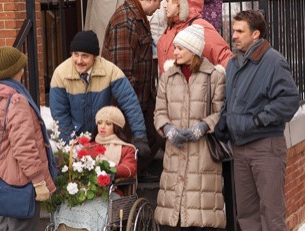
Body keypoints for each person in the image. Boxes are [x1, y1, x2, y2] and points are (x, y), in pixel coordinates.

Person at [214, 10, 299, 231]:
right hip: (239, 149)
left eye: (239, 31)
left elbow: (289, 100)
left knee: (271, 215)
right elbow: (231, 99)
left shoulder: (273, 61)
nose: (233, 35)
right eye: (233, 30)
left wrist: (259, 121)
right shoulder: (233, 64)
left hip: (266, 148)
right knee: (246, 215)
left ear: (256, 34)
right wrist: (225, 119)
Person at [0, 46, 57, 231]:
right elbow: (24, 147)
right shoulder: (15, 101)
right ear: (14, 71)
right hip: (22, 185)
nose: (23, 69)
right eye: (21, 66)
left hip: (2, 183)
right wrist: (38, 181)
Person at [154, 24, 226, 230]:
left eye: (179, 48)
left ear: (193, 50)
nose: (174, 52)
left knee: (199, 216)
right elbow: (159, 111)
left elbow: (221, 112)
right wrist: (167, 128)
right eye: (175, 48)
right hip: (174, 154)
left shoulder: (214, 76)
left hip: (202, 155)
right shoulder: (167, 78)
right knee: (173, 218)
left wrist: (203, 127)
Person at [49, 30, 150, 165]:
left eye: (85, 56)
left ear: (95, 57)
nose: (79, 61)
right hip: (75, 138)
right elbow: (60, 115)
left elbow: (130, 103)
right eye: (75, 55)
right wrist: (71, 145)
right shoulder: (60, 74)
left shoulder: (110, 71)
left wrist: (140, 136)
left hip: (103, 137)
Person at [102, 0, 164, 182]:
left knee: (156, 136)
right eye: (159, 2)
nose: (160, 7)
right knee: (127, 153)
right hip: (129, 107)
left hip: (144, 100)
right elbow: (122, 75)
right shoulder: (125, 21)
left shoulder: (136, 18)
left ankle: (137, 175)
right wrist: (133, 112)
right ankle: (128, 185)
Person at [54, 106, 137, 231]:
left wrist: (110, 170)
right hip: (86, 191)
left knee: (90, 210)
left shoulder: (126, 148)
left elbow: (130, 168)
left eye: (108, 123)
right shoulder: (88, 146)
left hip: (111, 193)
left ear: (116, 126)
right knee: (67, 206)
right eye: (99, 123)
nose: (102, 126)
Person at [157, 0, 233, 76]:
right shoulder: (168, 31)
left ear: (179, 3)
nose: (164, 6)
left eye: (168, 1)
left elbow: (223, 57)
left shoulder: (199, 26)